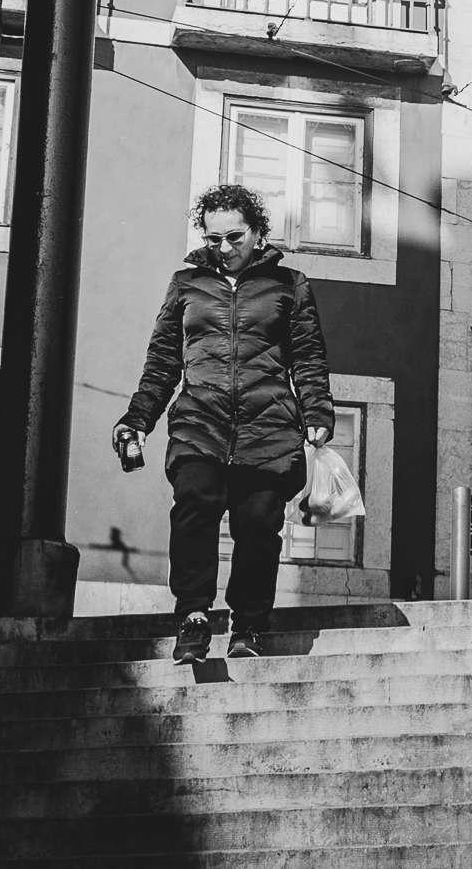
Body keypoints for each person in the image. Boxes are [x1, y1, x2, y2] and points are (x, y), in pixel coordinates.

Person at [111, 181, 334, 662]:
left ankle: (248, 626)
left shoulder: (289, 285)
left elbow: (308, 357)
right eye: (214, 239)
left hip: (268, 426)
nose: (226, 248)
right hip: (200, 422)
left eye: (235, 237)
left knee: (258, 524)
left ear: (257, 232)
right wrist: (138, 417)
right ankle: (193, 616)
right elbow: (163, 361)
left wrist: (317, 411)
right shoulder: (186, 284)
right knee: (194, 503)